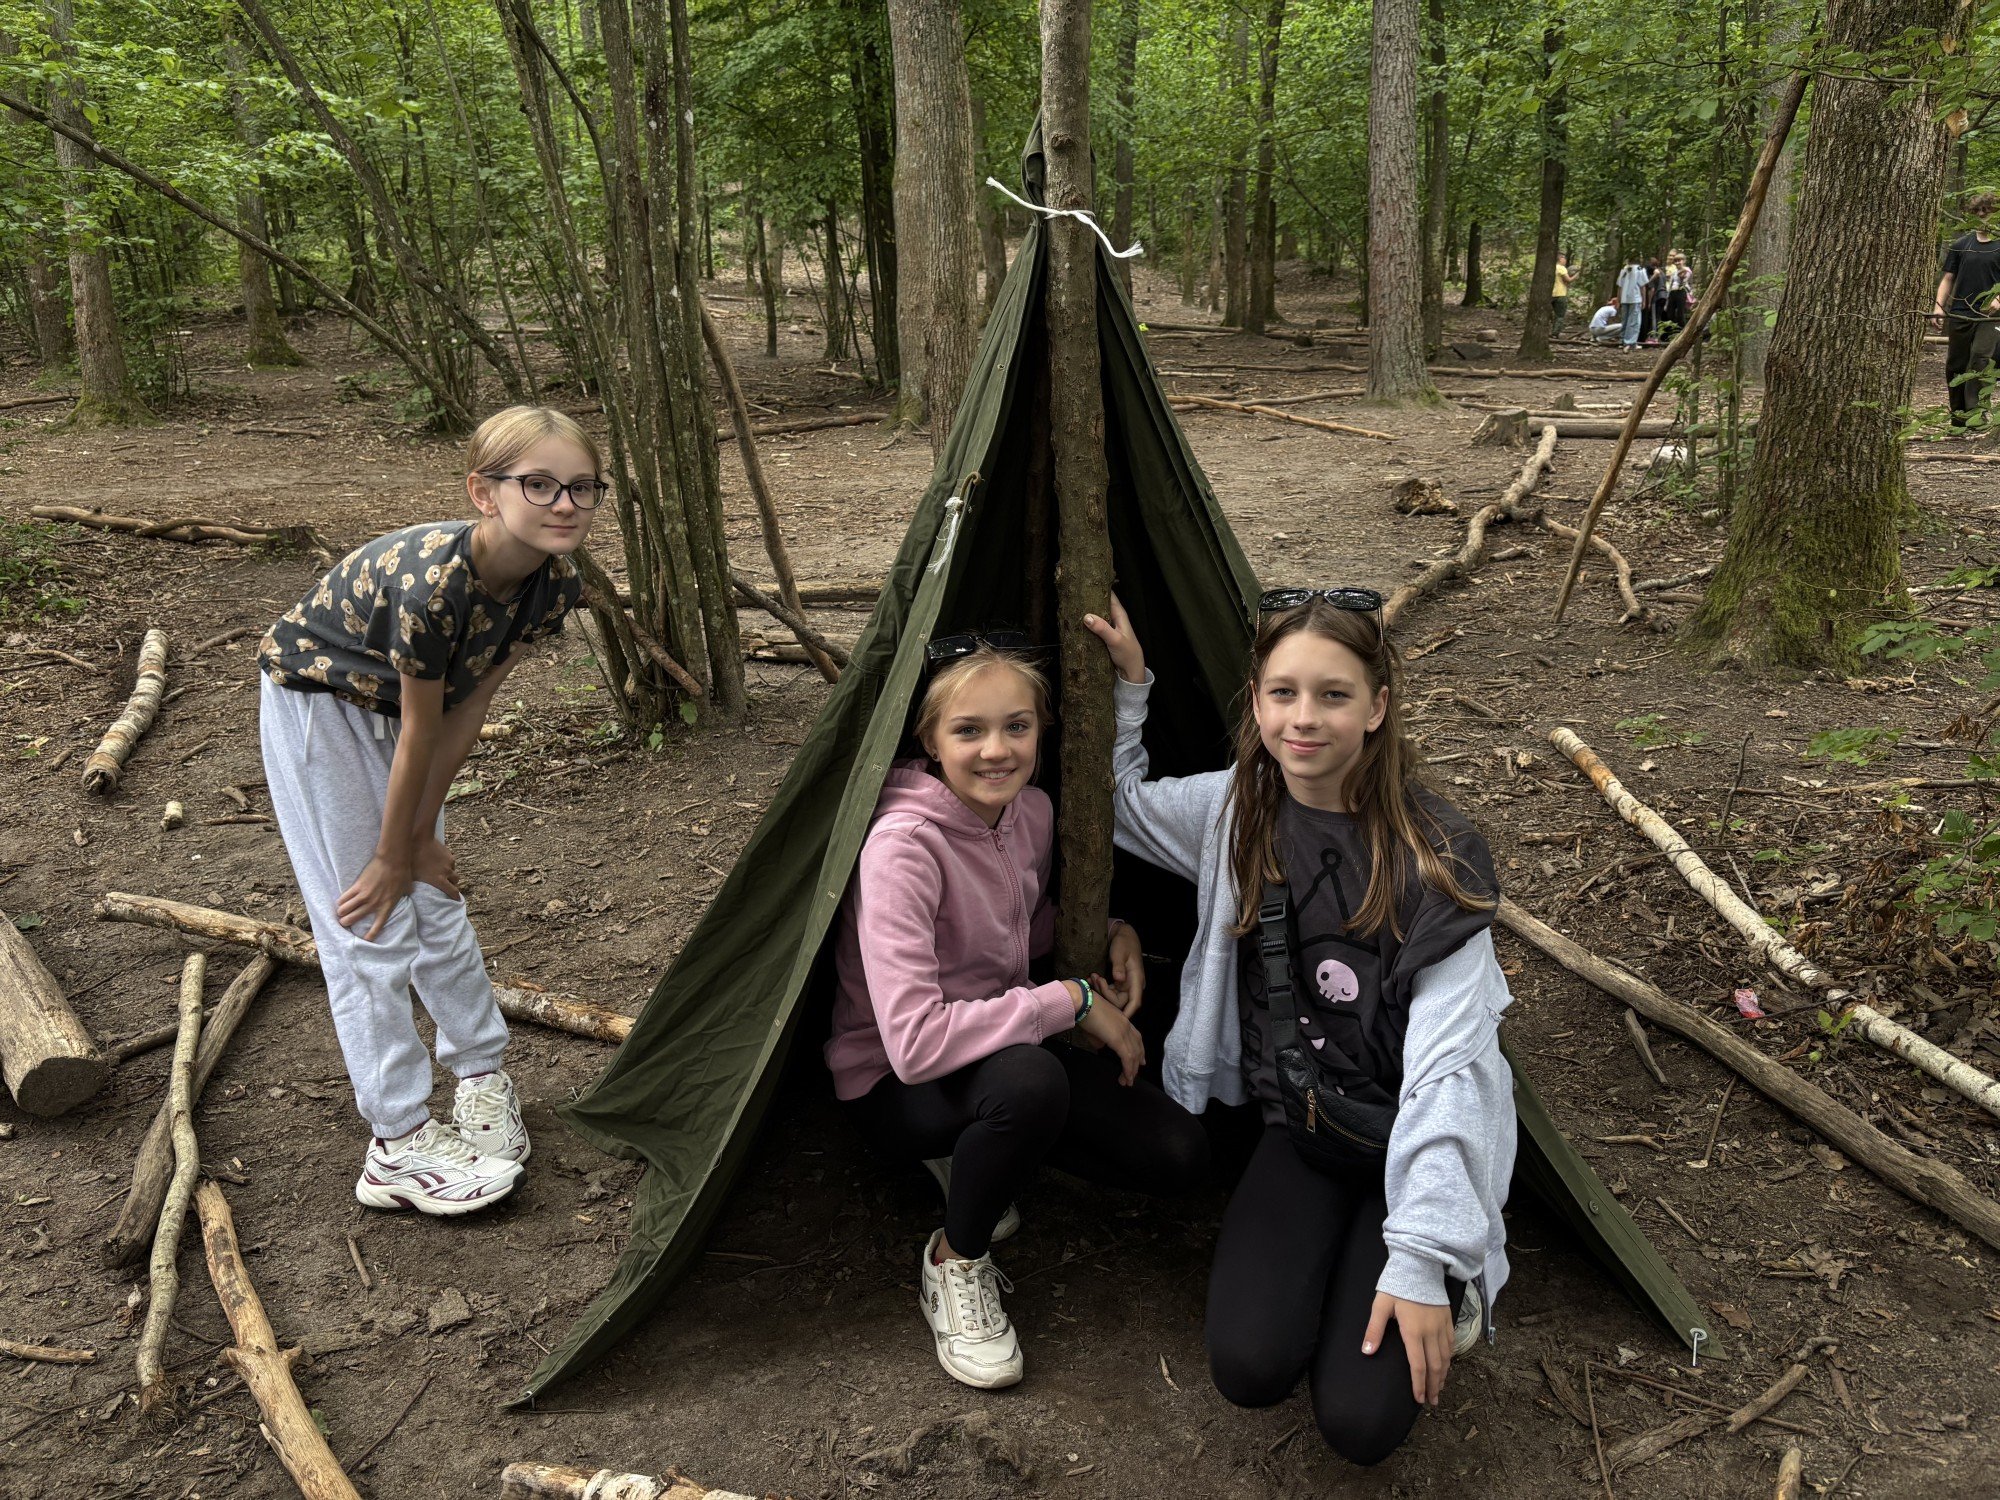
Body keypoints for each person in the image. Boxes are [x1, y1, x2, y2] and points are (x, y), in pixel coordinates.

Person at [1084, 591, 1515, 1468]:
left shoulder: (1437, 854)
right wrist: (1131, 684)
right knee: (1249, 1366)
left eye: (1333, 694)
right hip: (1305, 1128)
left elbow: (1452, 1073)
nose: (1304, 718)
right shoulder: (1235, 810)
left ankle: (1449, 1264)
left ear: (1378, 707)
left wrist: (1421, 1258)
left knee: (1359, 1424)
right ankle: (1349, 1262)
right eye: (1283, 693)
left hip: (1409, 1132)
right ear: (1256, 701)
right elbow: (1118, 806)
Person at [826, 637, 1209, 1391]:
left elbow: (1019, 932)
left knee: (1178, 1156)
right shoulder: (901, 848)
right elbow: (913, 1045)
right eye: (968, 730)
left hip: (998, 1045)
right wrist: (1072, 1001)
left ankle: (982, 1151)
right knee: (1031, 1083)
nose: (996, 750)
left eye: (1017, 726)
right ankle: (955, 1259)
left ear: (1041, 730)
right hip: (895, 1082)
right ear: (930, 737)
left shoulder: (1028, 811)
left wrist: (1112, 932)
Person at [257, 406, 597, 1215]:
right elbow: (419, 726)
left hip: (405, 721)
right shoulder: (433, 584)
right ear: (484, 491)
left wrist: (417, 837)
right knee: (369, 921)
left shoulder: (554, 584)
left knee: (434, 896)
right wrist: (390, 853)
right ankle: (398, 1140)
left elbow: (469, 704)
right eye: (539, 484)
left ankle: (479, 1075)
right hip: (324, 709)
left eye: (582, 487)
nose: (564, 504)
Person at [1933, 191, 2000, 431]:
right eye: (1977, 210)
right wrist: (1938, 307)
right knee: (1956, 365)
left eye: (1987, 210)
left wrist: (1998, 299)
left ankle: (1976, 417)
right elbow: (1948, 278)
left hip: (1990, 316)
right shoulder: (1962, 245)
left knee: (1981, 360)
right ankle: (1958, 419)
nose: (1982, 214)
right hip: (1960, 312)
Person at [1615, 258, 1651, 349]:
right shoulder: (1640, 269)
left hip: (1624, 298)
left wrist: (1619, 299)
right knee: (1634, 321)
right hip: (1635, 298)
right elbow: (1642, 286)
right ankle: (1630, 342)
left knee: (1625, 320)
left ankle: (1622, 341)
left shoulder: (1624, 269)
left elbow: (1619, 287)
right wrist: (1644, 300)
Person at [1662, 252, 1694, 339]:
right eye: (1675, 261)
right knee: (1670, 314)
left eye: (1679, 261)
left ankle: (1682, 335)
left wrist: (1682, 276)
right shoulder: (1675, 272)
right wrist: (1667, 300)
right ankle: (1670, 335)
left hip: (1681, 292)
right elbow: (1671, 285)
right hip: (1673, 293)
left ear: (1684, 261)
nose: (1677, 263)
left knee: (1680, 314)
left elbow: (1686, 281)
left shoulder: (1687, 270)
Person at [1551, 252, 1576, 337]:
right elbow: (1568, 280)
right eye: (1564, 258)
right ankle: (1555, 333)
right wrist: (1577, 275)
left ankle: (1553, 331)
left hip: (1551, 293)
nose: (1565, 260)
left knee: (1554, 314)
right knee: (1560, 315)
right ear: (1560, 259)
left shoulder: (1552, 267)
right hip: (1560, 293)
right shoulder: (1561, 268)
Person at [1640, 258, 1664, 345]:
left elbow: (1652, 288)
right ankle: (1652, 336)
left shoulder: (1652, 273)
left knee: (1653, 317)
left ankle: (1653, 337)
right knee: (1656, 317)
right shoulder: (1660, 272)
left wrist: (1648, 302)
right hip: (1660, 295)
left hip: (1656, 296)